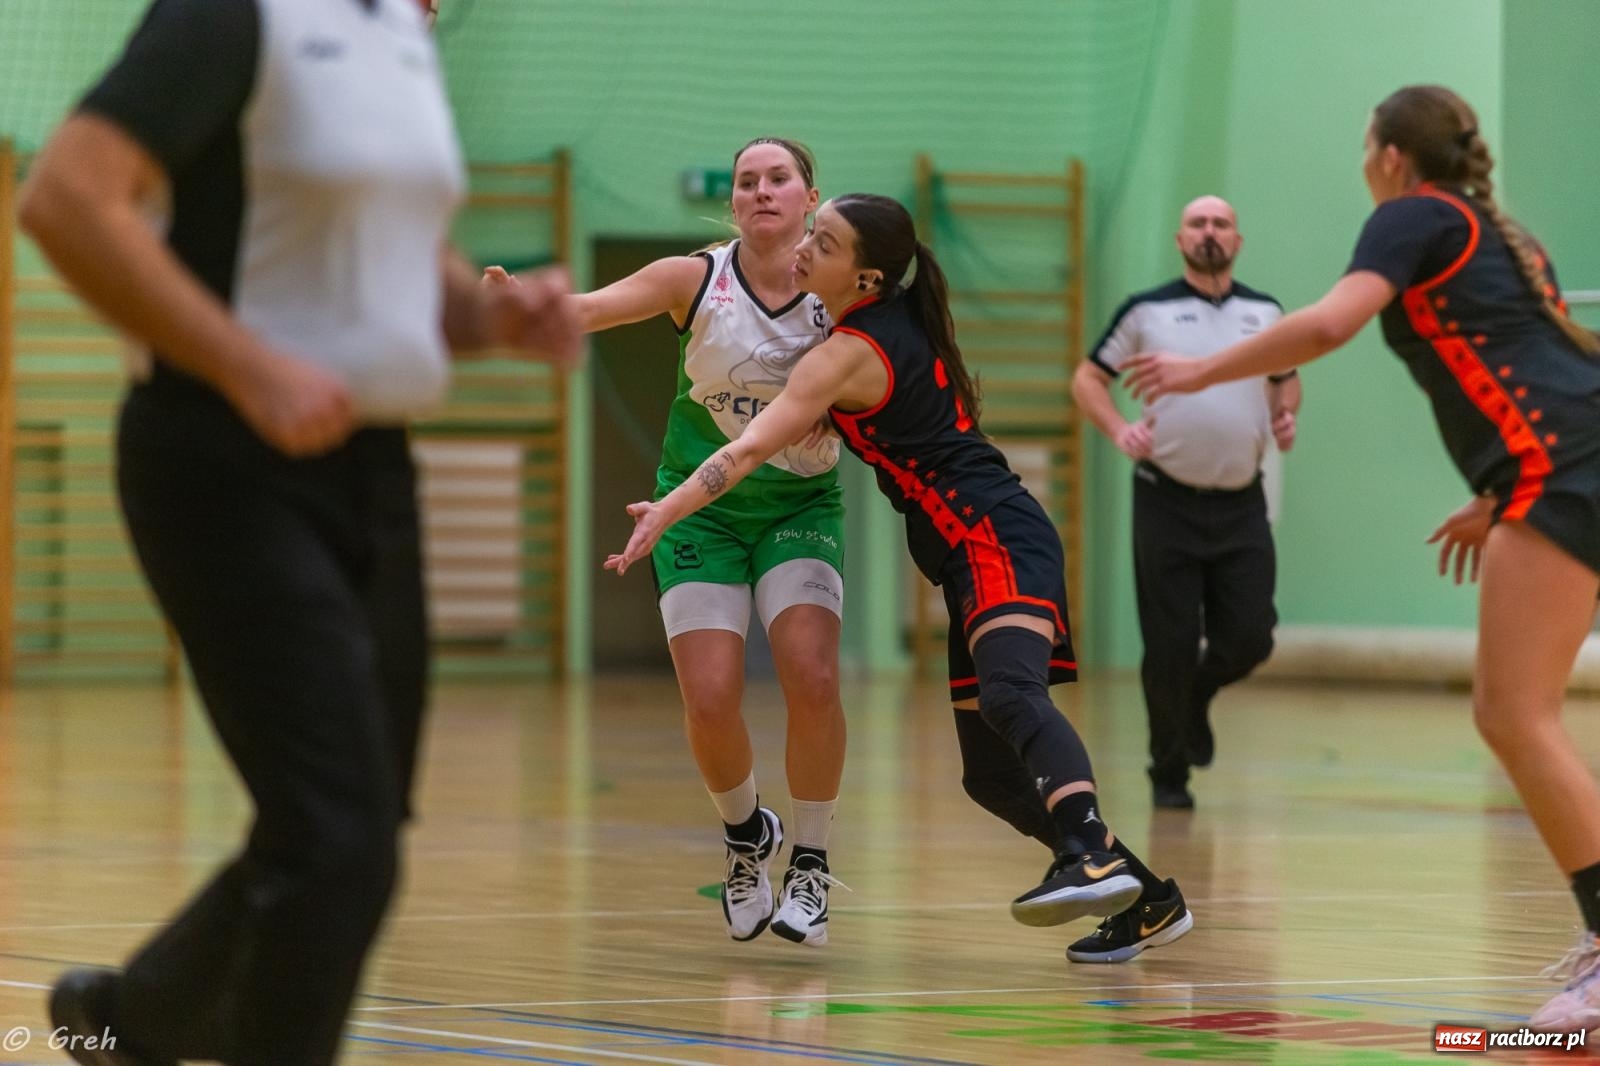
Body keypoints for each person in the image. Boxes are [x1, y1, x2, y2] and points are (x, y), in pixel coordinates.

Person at [17, 0, 581, 1061]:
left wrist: (489, 313)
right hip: (220, 465)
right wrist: (243, 363)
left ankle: (130, 1019)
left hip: (369, 468)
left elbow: (395, 256)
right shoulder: (232, 16)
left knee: (340, 830)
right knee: (338, 841)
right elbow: (63, 201)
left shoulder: (401, 33)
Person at [607, 193, 1194, 965]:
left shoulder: (844, 354)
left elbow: (749, 449)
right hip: (965, 555)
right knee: (991, 776)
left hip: (994, 534)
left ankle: (1090, 848)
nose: (806, 247)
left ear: (868, 276)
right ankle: (1152, 902)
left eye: (826, 239)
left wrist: (669, 510)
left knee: (1014, 695)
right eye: (812, 233)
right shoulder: (870, 329)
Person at [1124, 84, 1600, 1028]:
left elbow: (1331, 323)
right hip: (1565, 463)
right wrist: (1495, 495)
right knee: (1519, 714)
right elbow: (1551, 361)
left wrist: (1201, 369)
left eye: (1364, 144)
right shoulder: (1499, 231)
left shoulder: (1413, 215)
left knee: (1514, 714)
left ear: (1388, 154)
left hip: (1563, 469)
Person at [493, 137, 849, 947]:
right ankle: (744, 836)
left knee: (813, 673)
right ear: (732, 203)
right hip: (700, 509)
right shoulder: (696, 280)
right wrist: (519, 306)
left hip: (800, 505)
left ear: (809, 197)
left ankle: (813, 863)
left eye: (777, 179)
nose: (760, 191)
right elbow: (588, 309)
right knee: (711, 696)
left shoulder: (837, 290)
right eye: (746, 182)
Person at [1073, 195, 1300, 809]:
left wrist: (1286, 417)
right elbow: (1088, 378)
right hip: (1164, 500)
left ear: (1237, 239)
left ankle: (1198, 695)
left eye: (1221, 223)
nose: (1209, 232)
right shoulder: (1147, 311)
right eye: (1198, 223)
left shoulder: (1266, 312)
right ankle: (1168, 771)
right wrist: (1121, 432)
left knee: (1252, 636)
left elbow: (1286, 379)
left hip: (1240, 502)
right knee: (1168, 643)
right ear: (1180, 239)